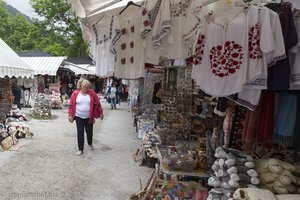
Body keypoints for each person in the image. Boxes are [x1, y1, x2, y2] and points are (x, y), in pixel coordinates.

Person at [68, 78, 104, 156]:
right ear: (81, 86)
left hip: (89, 117)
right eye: (85, 87)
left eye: (88, 87)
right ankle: (80, 149)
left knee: (89, 132)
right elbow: (71, 106)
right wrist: (70, 115)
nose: (87, 89)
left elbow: (98, 103)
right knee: (80, 132)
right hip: (78, 116)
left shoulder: (92, 93)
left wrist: (101, 112)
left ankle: (90, 143)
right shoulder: (75, 93)